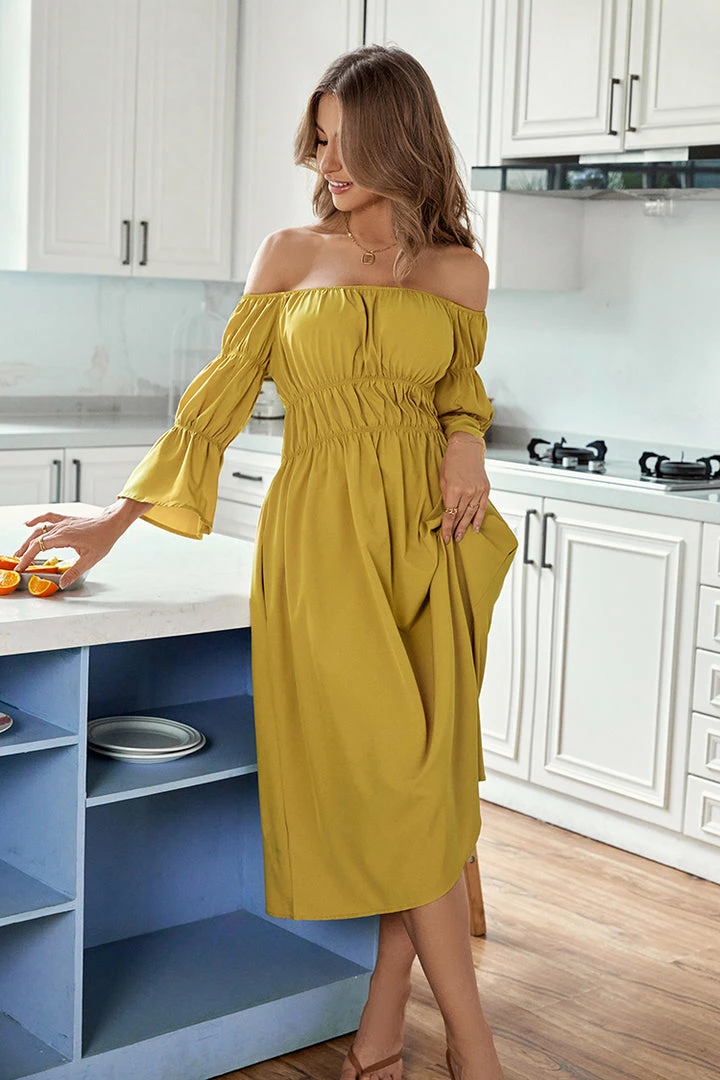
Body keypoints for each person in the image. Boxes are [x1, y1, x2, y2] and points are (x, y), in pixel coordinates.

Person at [15, 44, 517, 1080]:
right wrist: (114, 521)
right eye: (318, 141)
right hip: (325, 541)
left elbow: (458, 392)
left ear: (401, 139)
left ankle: (383, 1008)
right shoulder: (290, 254)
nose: (326, 162)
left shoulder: (458, 270)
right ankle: (477, 1051)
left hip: (436, 544)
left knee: (425, 786)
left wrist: (466, 440)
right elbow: (217, 402)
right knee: (398, 780)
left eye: (346, 142)